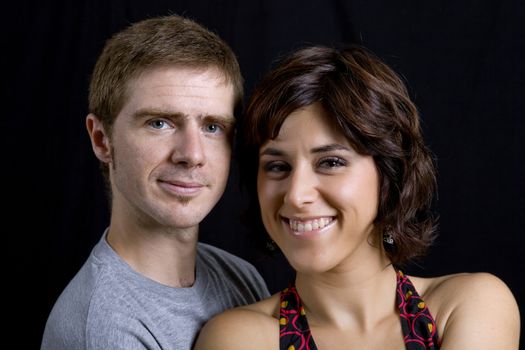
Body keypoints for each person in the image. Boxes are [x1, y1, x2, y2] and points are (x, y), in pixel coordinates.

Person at [194, 45, 521, 349]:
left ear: (389, 172)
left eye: (331, 162)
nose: (296, 195)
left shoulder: (469, 304)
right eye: (278, 166)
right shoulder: (239, 337)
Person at [41, 14, 269, 350]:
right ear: (102, 139)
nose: (192, 154)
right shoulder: (105, 329)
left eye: (212, 127)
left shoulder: (239, 277)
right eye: (160, 123)